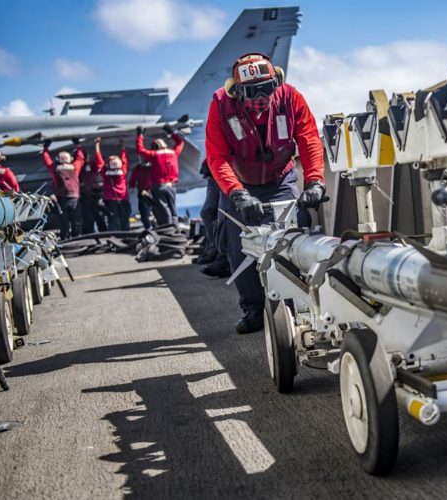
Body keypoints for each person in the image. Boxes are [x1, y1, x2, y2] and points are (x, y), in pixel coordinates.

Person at [206, 52, 326, 333]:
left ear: (277, 81)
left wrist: (315, 182)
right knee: (239, 247)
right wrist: (236, 193)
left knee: (293, 241)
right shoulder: (221, 105)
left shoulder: (290, 97)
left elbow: (308, 138)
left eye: (267, 87)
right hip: (241, 185)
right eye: (252, 91)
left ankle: (298, 305)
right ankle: (254, 310)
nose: (261, 96)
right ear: (237, 91)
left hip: (280, 179)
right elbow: (217, 156)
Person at [135, 125, 183, 226]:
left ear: (154, 148)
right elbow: (180, 143)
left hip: (159, 187)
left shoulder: (154, 155)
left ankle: (168, 230)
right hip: (171, 187)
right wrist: (171, 132)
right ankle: (175, 228)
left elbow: (140, 150)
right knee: (172, 209)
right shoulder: (174, 153)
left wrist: (140, 135)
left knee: (163, 210)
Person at [43, 138, 85, 239]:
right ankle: (77, 238)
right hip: (74, 197)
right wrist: (78, 145)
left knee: (64, 220)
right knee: (76, 219)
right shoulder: (75, 167)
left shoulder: (55, 168)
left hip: (61, 198)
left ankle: (65, 238)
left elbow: (47, 160)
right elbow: (80, 158)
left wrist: (45, 148)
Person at [197, 159, 230, 277]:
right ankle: (214, 250)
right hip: (213, 171)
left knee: (225, 215)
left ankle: (224, 258)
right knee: (208, 213)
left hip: (226, 170)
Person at [95, 137, 131, 231]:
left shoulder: (105, 173)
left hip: (111, 201)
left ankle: (114, 238)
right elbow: (124, 159)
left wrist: (97, 145)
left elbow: (99, 161)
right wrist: (123, 146)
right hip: (123, 199)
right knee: (125, 221)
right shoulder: (123, 171)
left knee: (112, 221)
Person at [80, 149, 107, 233]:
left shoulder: (91, 165)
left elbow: (99, 164)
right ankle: (89, 232)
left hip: (94, 192)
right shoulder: (79, 166)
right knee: (88, 215)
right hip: (86, 193)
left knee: (97, 214)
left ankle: (103, 231)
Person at [128, 160, 155, 230]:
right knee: (154, 210)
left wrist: (131, 185)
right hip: (152, 191)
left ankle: (149, 227)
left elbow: (132, 180)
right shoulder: (153, 166)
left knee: (145, 213)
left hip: (146, 192)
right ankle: (151, 226)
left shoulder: (138, 168)